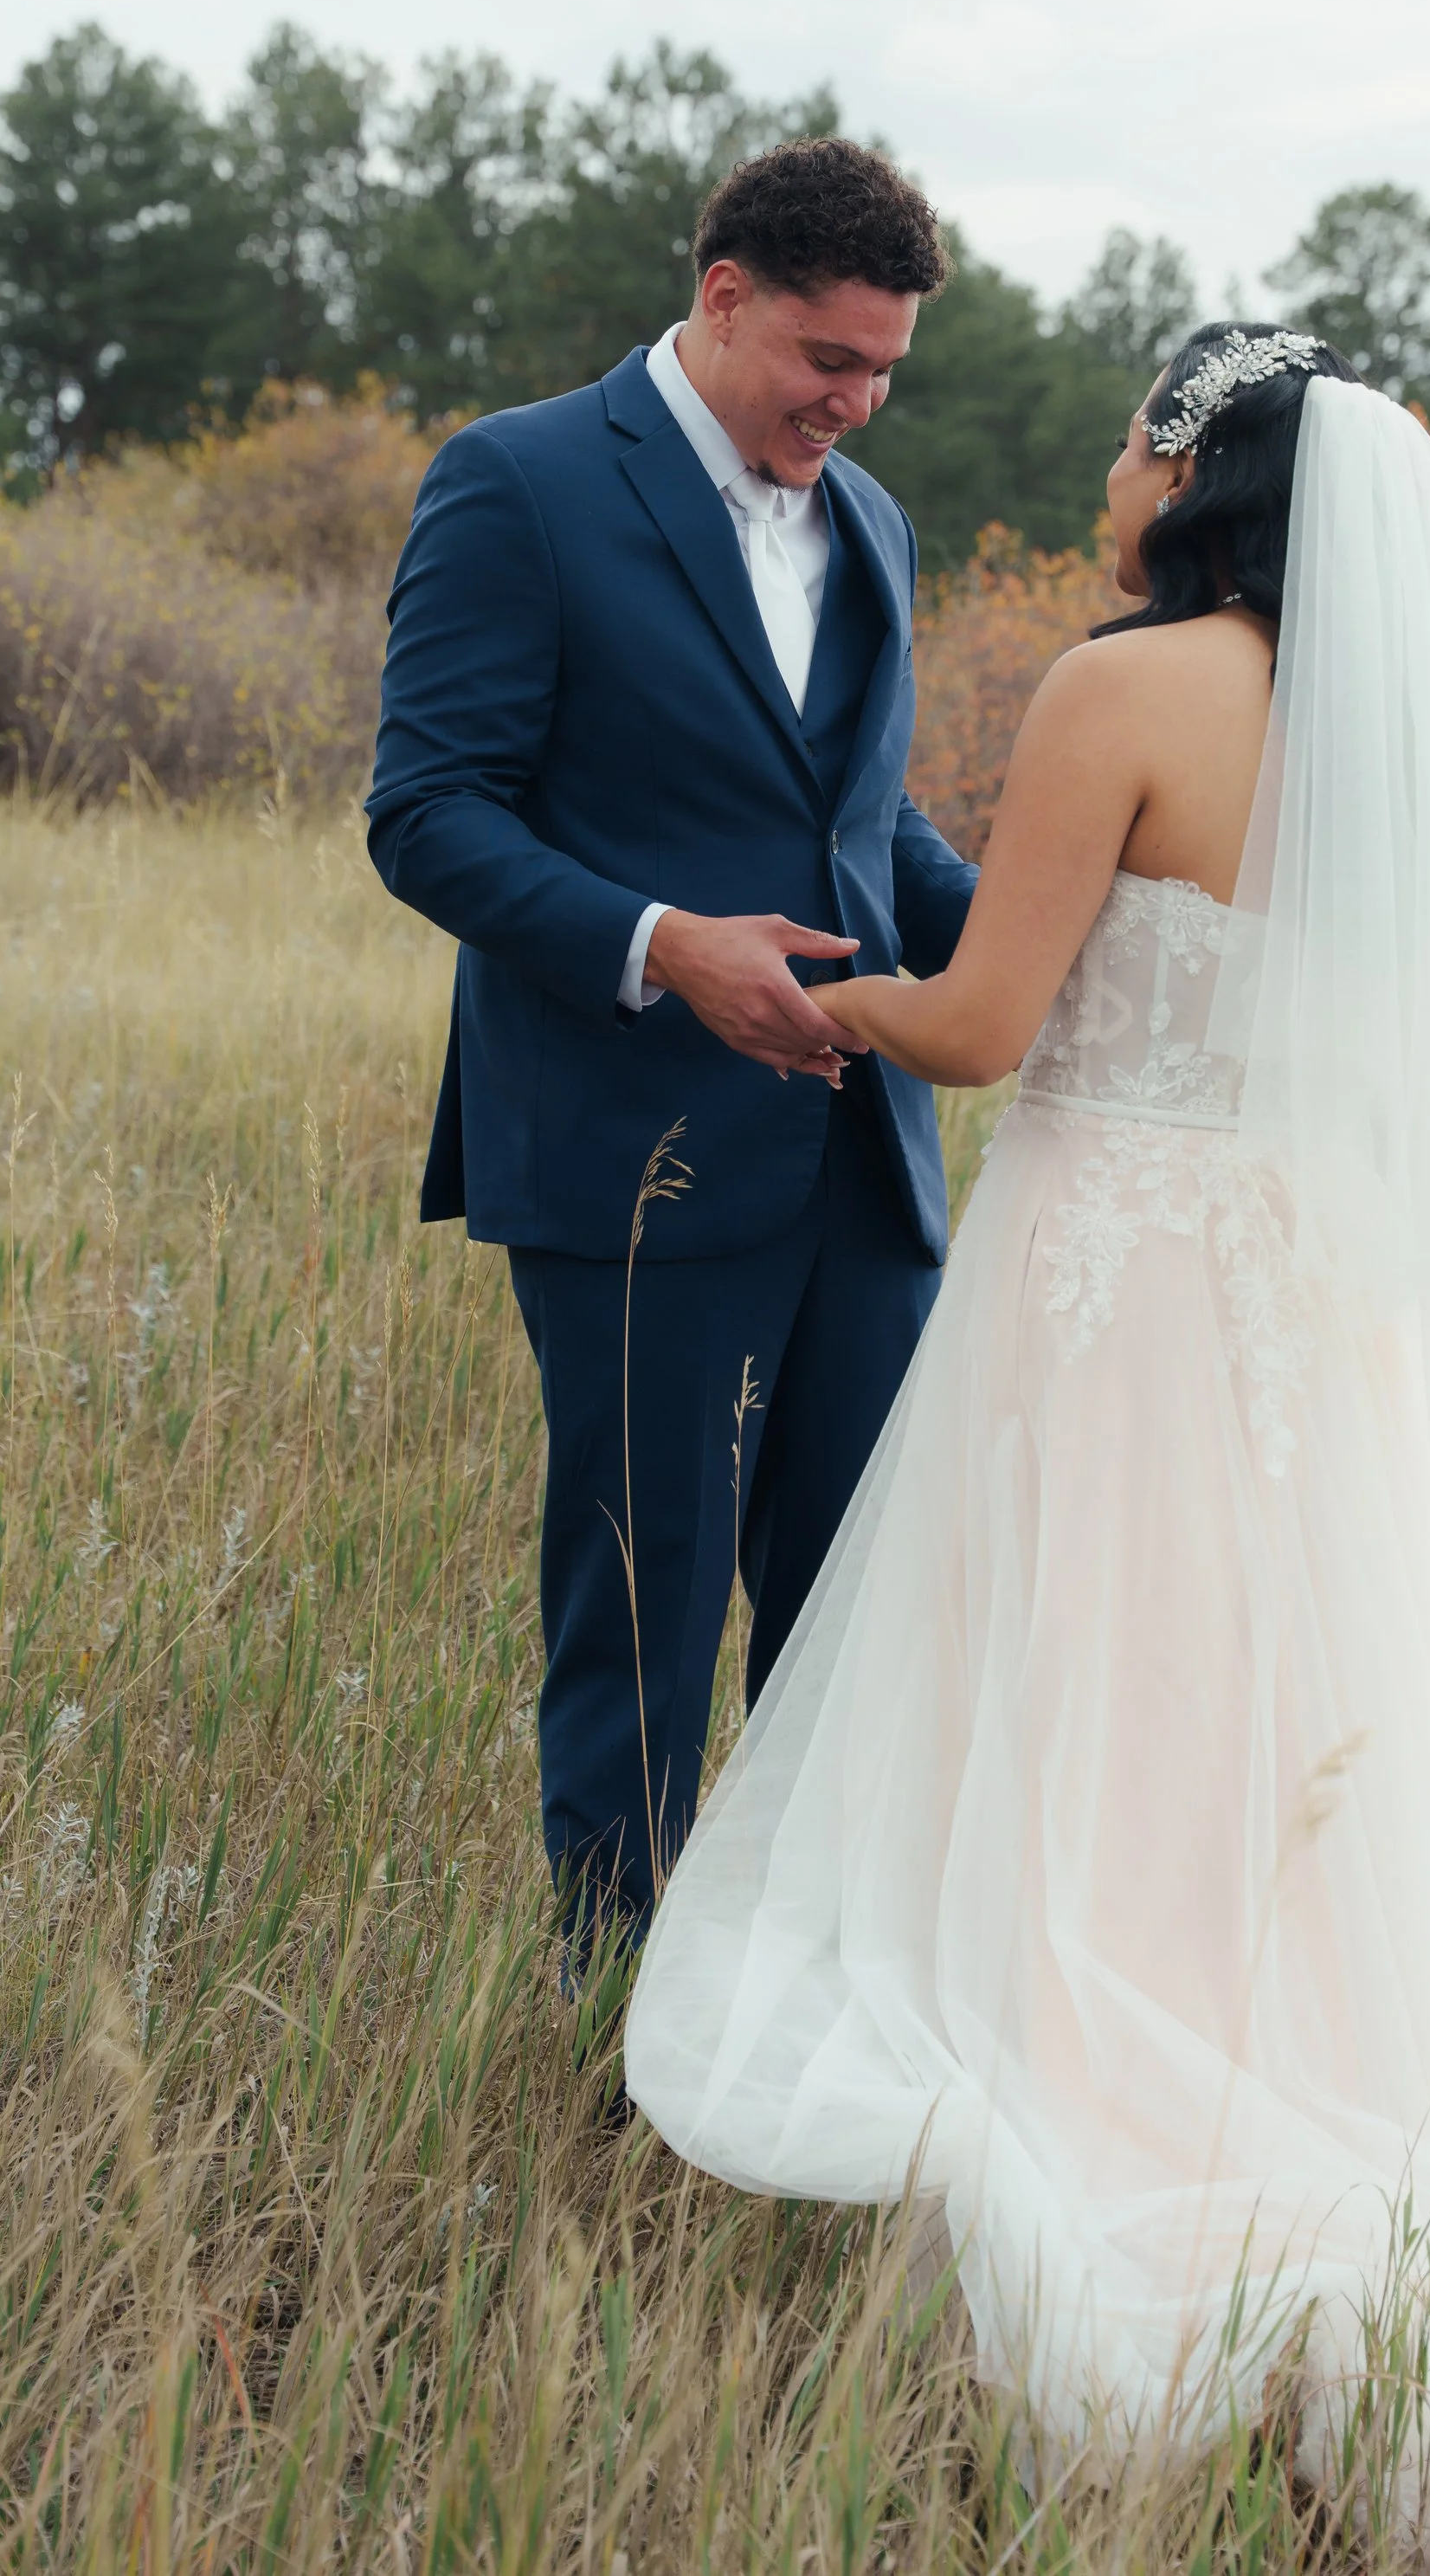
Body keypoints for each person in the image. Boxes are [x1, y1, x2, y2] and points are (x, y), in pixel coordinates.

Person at [623, 327, 1430, 2529]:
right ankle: (1345, 2121)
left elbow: (973, 1027)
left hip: (1123, 1305)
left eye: (1132, 442)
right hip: (1332, 1323)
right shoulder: (1390, 734)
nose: (1112, 476)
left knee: (1103, 1730)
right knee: (1331, 1743)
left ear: (1184, 469)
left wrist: (762, 986)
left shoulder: (1120, 687)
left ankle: (1135, 2165)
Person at [366, 139, 977, 1950]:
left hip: (864, 1170)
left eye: (883, 371)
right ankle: (608, 2029)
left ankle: (790, 2026)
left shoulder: (871, 527)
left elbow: (865, 835)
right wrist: (656, 949)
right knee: (640, 1619)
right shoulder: (521, 481)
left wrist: (1080, 942)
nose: (854, 406)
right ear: (724, 302)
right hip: (630, 1154)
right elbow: (428, 813)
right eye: (826, 362)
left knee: (846, 1624)